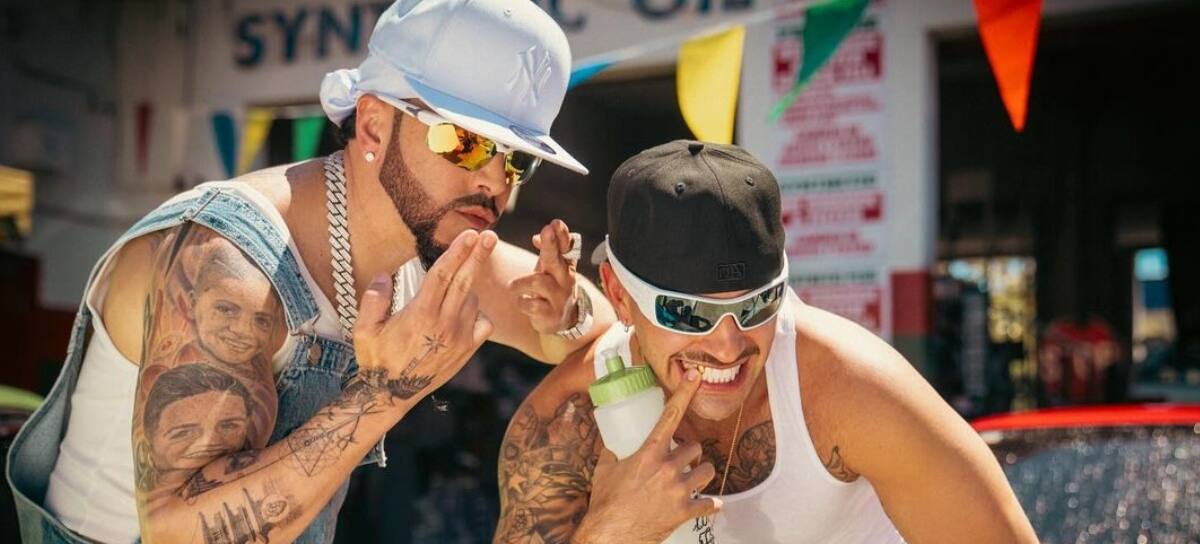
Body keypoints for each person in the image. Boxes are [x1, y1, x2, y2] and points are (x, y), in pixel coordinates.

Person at [7, 1, 613, 542]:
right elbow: (174, 531)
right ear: (373, 124)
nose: (494, 180)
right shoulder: (229, 262)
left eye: (518, 160)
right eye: (465, 142)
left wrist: (563, 315)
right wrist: (387, 391)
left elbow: (597, 325)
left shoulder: (432, 238)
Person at [494, 141, 1038, 543]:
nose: (728, 347)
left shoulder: (850, 390)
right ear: (618, 291)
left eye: (757, 304)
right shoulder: (566, 421)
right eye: (687, 312)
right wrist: (615, 531)